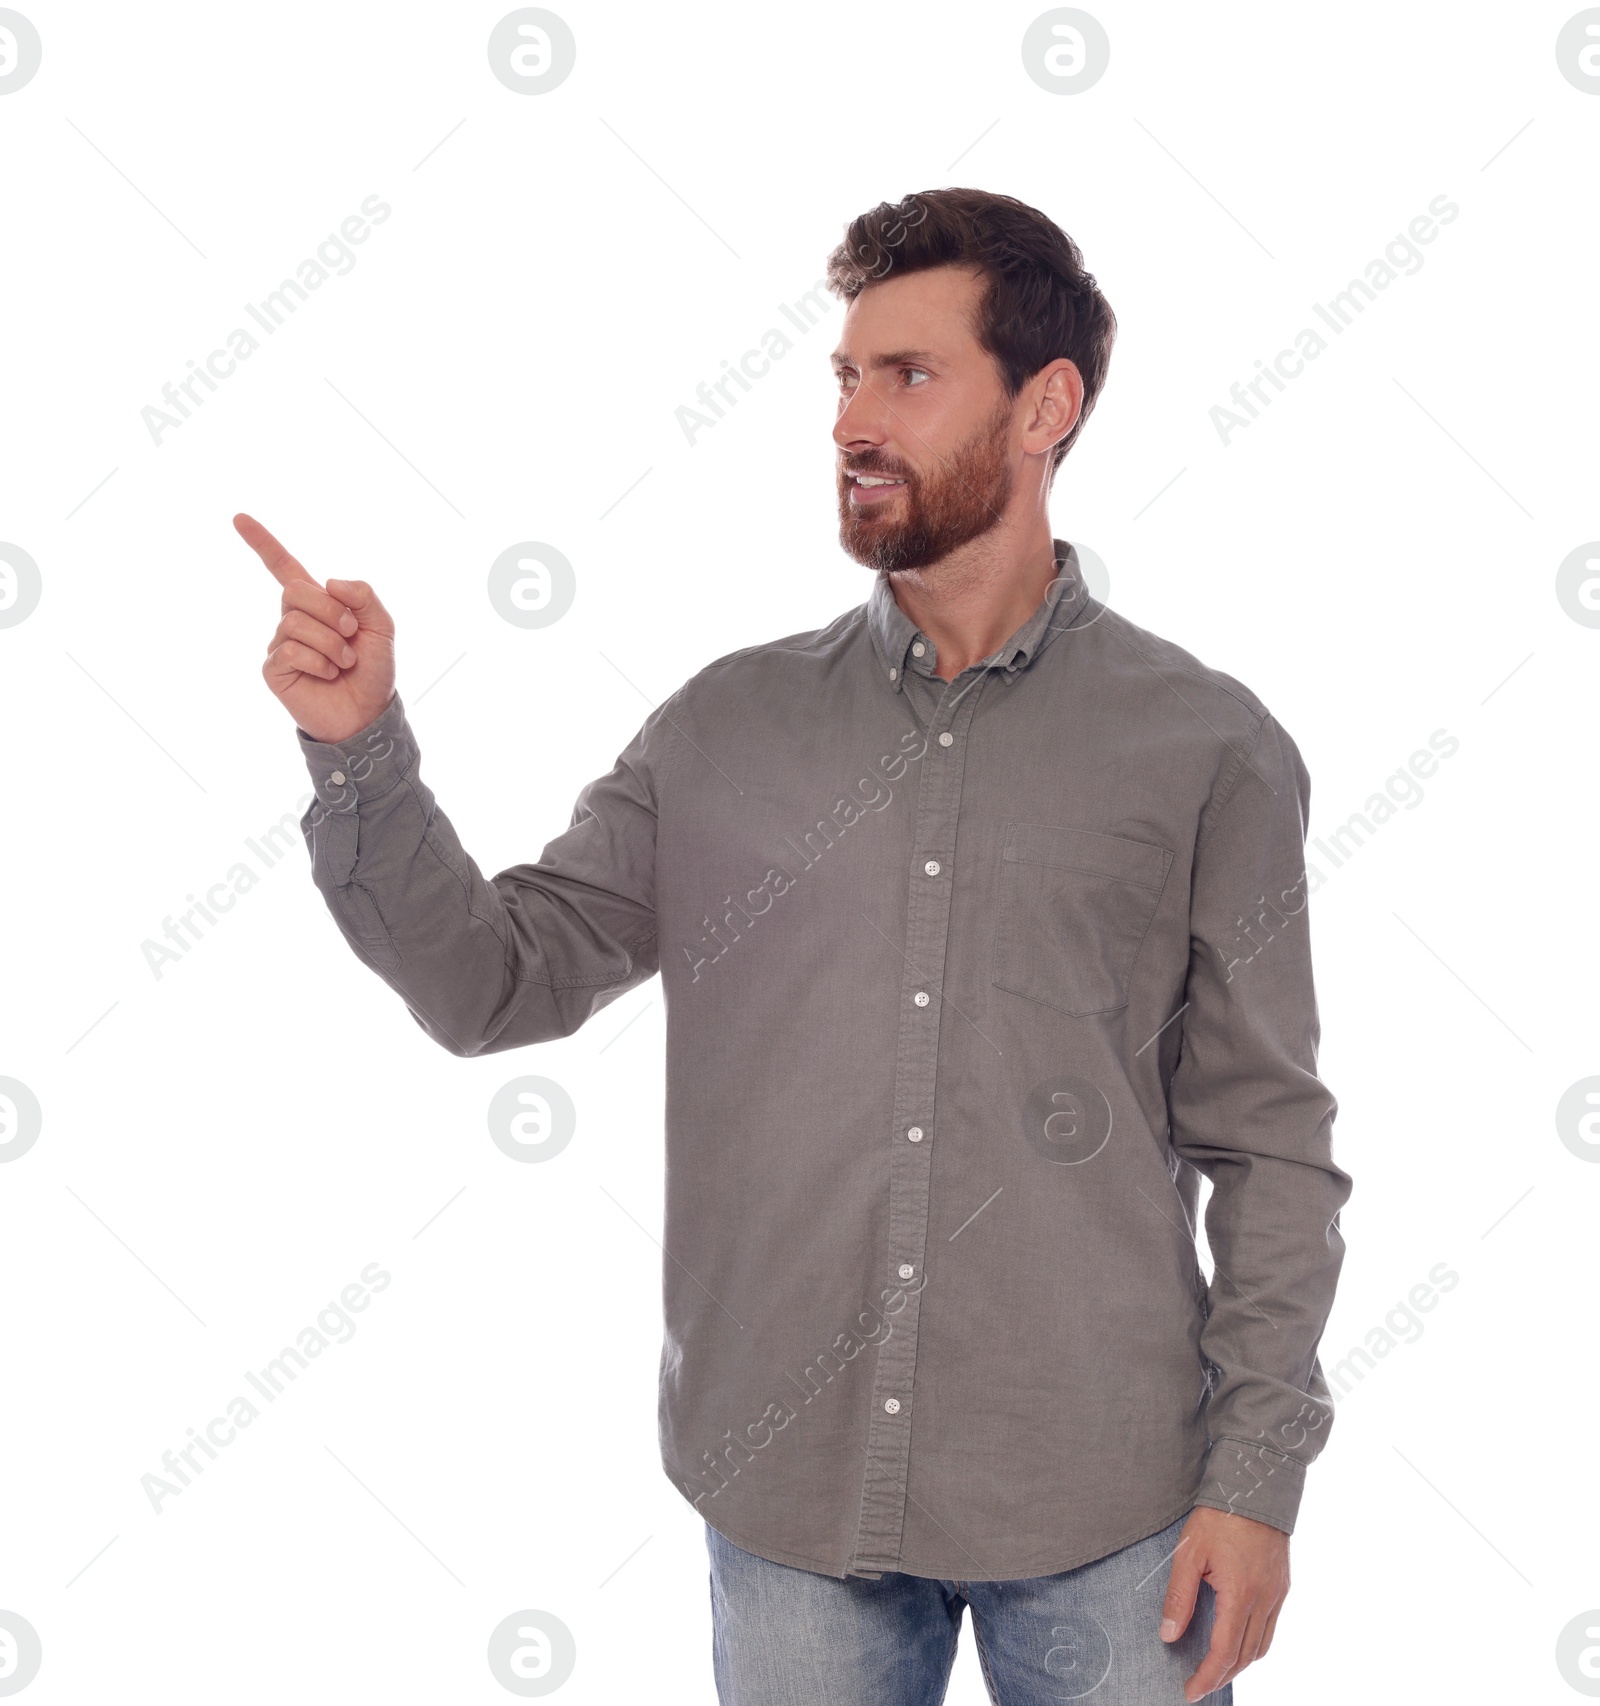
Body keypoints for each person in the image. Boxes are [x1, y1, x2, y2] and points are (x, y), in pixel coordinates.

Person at [238, 187, 1351, 1705]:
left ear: (1046, 408)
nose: (853, 421)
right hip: (789, 1511)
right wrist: (361, 750)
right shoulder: (725, 727)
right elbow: (495, 980)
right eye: (843, 377)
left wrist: (1259, 1475)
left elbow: (1271, 1144)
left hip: (1109, 1506)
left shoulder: (1208, 746)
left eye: (909, 376)